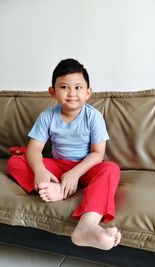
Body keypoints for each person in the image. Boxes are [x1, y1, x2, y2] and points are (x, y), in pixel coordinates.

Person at [7, 58, 121, 250]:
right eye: (64, 87)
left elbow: (97, 154)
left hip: (85, 167)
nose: (72, 93)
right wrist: (40, 170)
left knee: (110, 169)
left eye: (78, 88)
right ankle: (58, 188)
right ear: (52, 92)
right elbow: (34, 149)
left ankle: (87, 226)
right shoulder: (47, 116)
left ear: (88, 93)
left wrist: (75, 173)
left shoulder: (93, 117)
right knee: (15, 162)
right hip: (58, 167)